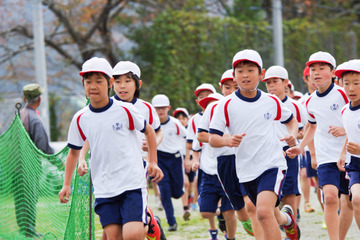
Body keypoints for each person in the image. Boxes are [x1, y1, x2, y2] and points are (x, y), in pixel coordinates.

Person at [58, 57, 163, 240]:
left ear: (109, 83)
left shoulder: (125, 110)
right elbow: (74, 152)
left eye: (99, 81)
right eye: (88, 82)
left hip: (132, 183)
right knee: (114, 237)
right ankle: (144, 218)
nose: (93, 86)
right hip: (104, 188)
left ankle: (145, 218)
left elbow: (150, 131)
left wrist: (153, 162)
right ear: (83, 85)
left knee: (132, 236)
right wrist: (67, 184)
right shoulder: (80, 118)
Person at [209, 49, 300, 240]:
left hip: (272, 165)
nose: (245, 75)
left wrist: (292, 135)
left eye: (250, 70)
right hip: (246, 170)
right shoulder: (225, 105)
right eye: (240, 71)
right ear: (234, 76)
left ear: (261, 74)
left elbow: (291, 120)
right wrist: (227, 140)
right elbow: (213, 139)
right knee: (271, 214)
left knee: (263, 213)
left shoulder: (271, 101)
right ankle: (288, 220)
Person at [287, 51, 352, 240]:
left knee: (348, 200)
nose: (316, 73)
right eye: (313, 69)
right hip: (325, 157)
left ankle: (341, 236)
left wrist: (344, 130)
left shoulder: (343, 93)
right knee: (330, 198)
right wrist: (302, 147)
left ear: (333, 73)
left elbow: (355, 118)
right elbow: (312, 127)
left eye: (321, 68)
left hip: (348, 154)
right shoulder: (309, 101)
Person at [197, 70, 255, 239]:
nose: (231, 91)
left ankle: (265, 226)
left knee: (252, 204)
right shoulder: (214, 107)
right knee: (240, 210)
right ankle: (248, 222)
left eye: (235, 87)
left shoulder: (251, 104)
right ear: (220, 88)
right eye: (227, 87)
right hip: (224, 161)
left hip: (247, 158)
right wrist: (224, 140)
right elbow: (200, 135)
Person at [262, 65, 308, 221]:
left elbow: (306, 130)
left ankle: (291, 229)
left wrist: (293, 137)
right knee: (270, 193)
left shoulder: (296, 106)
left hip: (290, 152)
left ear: (286, 83)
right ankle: (274, 225)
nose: (271, 86)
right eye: (268, 83)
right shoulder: (263, 103)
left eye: (275, 81)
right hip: (268, 152)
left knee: (289, 192)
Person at [15, 83, 55, 237]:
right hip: (29, 166)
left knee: (21, 199)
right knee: (29, 198)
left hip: (16, 165)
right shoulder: (34, 119)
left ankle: (23, 229)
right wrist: (58, 162)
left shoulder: (20, 114)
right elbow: (43, 146)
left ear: (24, 98)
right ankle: (29, 230)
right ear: (39, 100)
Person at [152, 94, 187, 231]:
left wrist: (189, 157)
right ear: (153, 109)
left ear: (168, 108)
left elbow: (187, 137)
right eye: (157, 108)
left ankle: (177, 192)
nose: (160, 111)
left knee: (177, 192)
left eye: (163, 108)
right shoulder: (151, 125)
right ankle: (171, 221)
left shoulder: (175, 123)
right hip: (160, 158)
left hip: (175, 158)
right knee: (164, 190)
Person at [335, 59, 360, 230]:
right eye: (347, 83)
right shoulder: (344, 110)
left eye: (356, 83)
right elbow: (350, 134)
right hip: (356, 165)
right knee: (356, 199)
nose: (351, 88)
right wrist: (343, 153)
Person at [184, 83, 216, 210]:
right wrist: (190, 159)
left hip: (221, 158)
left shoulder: (222, 113)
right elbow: (190, 143)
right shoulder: (194, 120)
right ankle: (197, 203)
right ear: (198, 102)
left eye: (208, 96)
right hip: (203, 159)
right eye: (201, 97)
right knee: (199, 182)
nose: (205, 99)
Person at [173, 107, 195, 219]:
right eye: (178, 118)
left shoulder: (191, 131)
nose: (181, 120)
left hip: (192, 158)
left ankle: (190, 197)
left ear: (187, 119)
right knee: (185, 183)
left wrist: (192, 160)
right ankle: (185, 208)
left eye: (183, 118)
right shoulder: (174, 130)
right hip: (179, 158)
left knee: (191, 184)